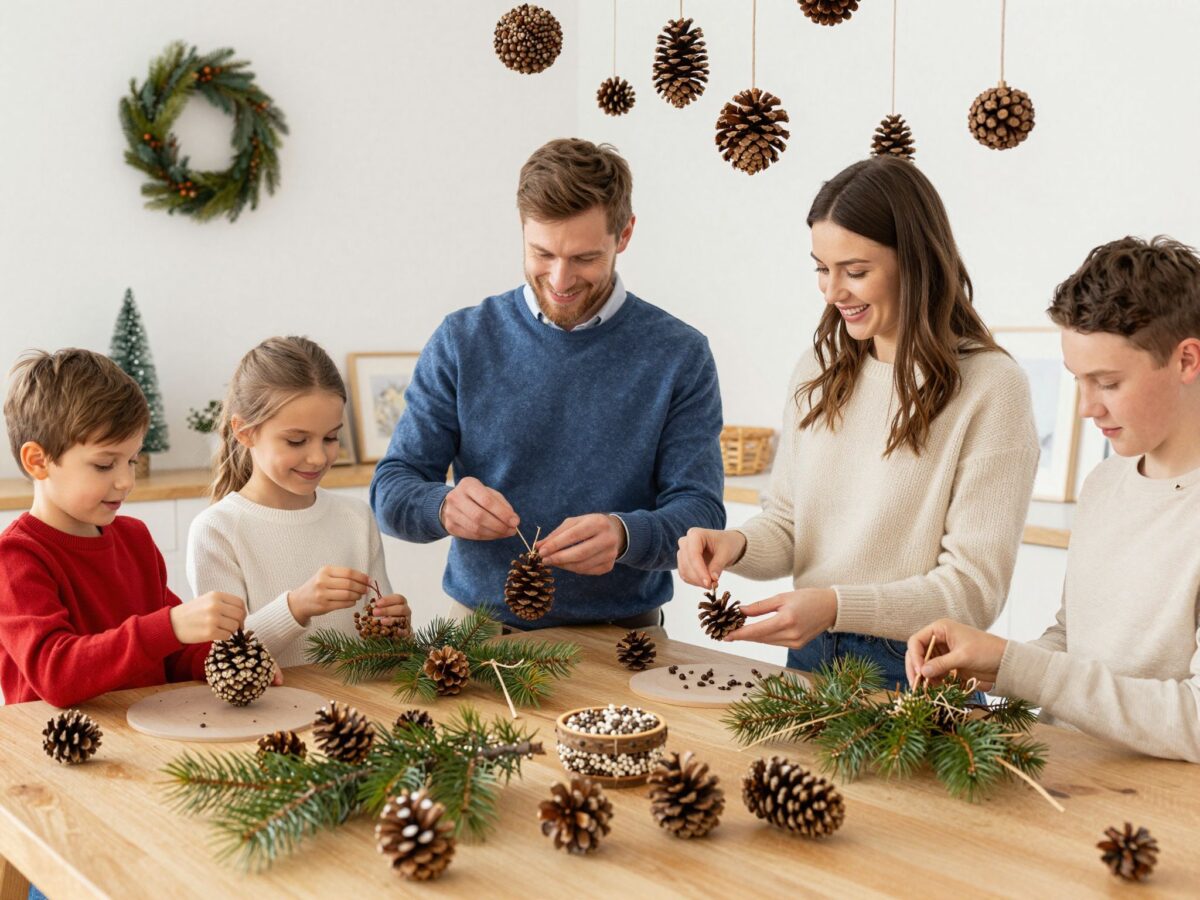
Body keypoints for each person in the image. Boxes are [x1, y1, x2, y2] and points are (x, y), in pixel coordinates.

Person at [677, 156, 1038, 685]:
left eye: (856, 271)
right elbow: (789, 525)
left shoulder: (990, 386)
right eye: (822, 268)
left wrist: (836, 606)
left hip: (917, 668)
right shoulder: (819, 370)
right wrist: (737, 546)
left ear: (915, 262)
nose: (831, 292)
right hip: (810, 652)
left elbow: (972, 592)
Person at [371, 137, 725, 630]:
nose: (560, 279)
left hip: (626, 640)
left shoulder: (679, 354)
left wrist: (626, 535)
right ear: (522, 229)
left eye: (584, 258)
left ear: (624, 235)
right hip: (475, 636)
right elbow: (391, 490)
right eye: (542, 253)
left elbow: (701, 514)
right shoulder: (462, 340)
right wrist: (443, 506)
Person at [908, 236, 1200, 763]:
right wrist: (988, 664)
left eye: (1107, 382)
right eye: (1078, 382)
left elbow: (1195, 721)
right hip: (1064, 774)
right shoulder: (1105, 484)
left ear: (1187, 359)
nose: (1087, 408)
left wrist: (1017, 666)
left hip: (1156, 815)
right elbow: (1072, 640)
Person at [0, 348, 244, 707]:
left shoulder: (136, 539)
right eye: (104, 465)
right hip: (56, 754)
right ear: (38, 461)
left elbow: (172, 654)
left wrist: (228, 665)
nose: (125, 481)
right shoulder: (17, 557)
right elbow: (56, 675)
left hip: (144, 737)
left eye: (131, 460)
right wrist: (171, 626)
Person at [187, 336, 409, 667]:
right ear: (244, 432)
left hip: (355, 712)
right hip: (266, 716)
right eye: (296, 440)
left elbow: (383, 652)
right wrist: (295, 607)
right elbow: (226, 662)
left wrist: (396, 628)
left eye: (331, 438)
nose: (318, 457)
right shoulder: (218, 530)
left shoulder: (356, 518)